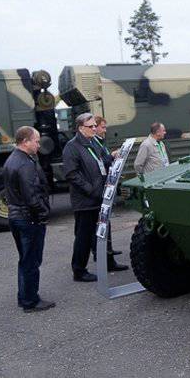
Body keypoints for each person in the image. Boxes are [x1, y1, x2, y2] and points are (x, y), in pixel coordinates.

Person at [63, 113, 128, 282]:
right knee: (84, 237)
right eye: (90, 126)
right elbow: (71, 174)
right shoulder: (72, 147)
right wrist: (91, 190)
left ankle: (108, 261)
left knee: (102, 234)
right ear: (80, 128)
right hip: (86, 201)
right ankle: (79, 270)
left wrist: (113, 157)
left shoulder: (92, 143)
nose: (94, 128)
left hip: (99, 197)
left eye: (94, 126)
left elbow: (103, 160)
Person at [3, 126, 55, 312]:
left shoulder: (13, 159)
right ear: (25, 141)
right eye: (36, 141)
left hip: (17, 217)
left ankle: (24, 297)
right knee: (31, 261)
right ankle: (31, 301)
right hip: (28, 219)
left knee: (25, 260)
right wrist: (43, 215)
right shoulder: (25, 164)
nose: (38, 145)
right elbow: (32, 195)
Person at [92, 115, 121, 258]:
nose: (105, 130)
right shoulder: (95, 143)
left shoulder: (99, 142)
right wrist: (111, 156)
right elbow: (101, 161)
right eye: (102, 127)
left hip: (104, 185)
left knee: (105, 220)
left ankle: (108, 249)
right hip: (100, 186)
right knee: (101, 222)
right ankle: (104, 252)